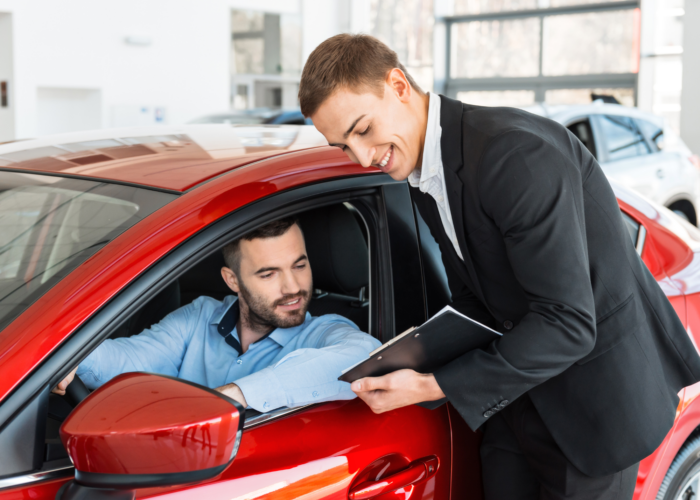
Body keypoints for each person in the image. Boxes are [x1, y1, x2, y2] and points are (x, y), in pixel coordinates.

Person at [299, 33, 700, 500]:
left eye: (362, 129)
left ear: (398, 85)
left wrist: (433, 385)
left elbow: (569, 324)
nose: (364, 157)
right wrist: (408, 354)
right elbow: (479, 295)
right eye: (344, 146)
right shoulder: (419, 166)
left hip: (592, 412)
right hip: (517, 398)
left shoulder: (514, 155)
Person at [53, 217, 380, 412]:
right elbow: (128, 358)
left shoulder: (323, 334)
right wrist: (72, 358)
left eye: (300, 265)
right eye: (269, 275)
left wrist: (233, 396)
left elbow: (364, 356)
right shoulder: (199, 318)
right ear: (232, 280)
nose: (293, 287)